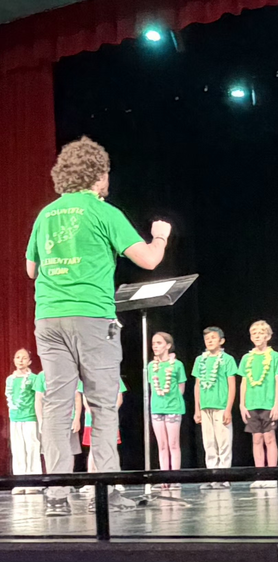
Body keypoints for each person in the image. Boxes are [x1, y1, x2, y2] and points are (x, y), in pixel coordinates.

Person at [25, 136, 171, 515]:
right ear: (98, 175)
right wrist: (160, 236)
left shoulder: (46, 214)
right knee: (102, 406)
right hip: (92, 317)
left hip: (49, 318)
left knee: (56, 406)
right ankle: (107, 491)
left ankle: (56, 494)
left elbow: (31, 268)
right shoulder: (104, 212)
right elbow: (150, 261)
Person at [239, 320, 278, 489]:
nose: (257, 337)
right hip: (252, 404)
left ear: (268, 336)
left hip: (268, 403)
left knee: (269, 438)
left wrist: (277, 405)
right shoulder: (247, 358)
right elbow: (243, 382)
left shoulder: (274, 356)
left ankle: (271, 474)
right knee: (256, 439)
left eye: (260, 334)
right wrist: (242, 405)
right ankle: (260, 475)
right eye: (254, 334)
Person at [192, 327, 239, 489]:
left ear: (221, 341)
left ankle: (224, 476)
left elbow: (232, 385)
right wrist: (197, 409)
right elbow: (197, 385)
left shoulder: (227, 359)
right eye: (207, 339)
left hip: (220, 406)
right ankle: (212, 476)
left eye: (213, 338)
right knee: (209, 443)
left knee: (223, 442)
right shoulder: (200, 360)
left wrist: (228, 409)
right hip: (205, 407)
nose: (210, 341)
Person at [148, 332, 186, 488]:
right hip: (157, 408)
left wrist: (172, 402)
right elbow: (152, 387)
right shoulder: (151, 366)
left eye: (159, 343)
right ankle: (164, 477)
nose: (155, 346)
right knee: (162, 444)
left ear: (168, 346)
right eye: (154, 343)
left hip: (173, 407)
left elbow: (181, 387)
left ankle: (175, 478)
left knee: (173, 444)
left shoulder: (177, 365)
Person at [77, 377, 126, 494]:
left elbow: (119, 397)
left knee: (111, 447)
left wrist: (109, 412)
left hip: (109, 420)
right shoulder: (86, 376)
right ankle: (90, 480)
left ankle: (116, 480)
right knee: (93, 449)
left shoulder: (114, 375)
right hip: (91, 420)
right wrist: (92, 411)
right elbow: (84, 398)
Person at [6, 349, 43, 494]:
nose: (20, 360)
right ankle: (20, 482)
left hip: (30, 418)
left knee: (32, 449)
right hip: (15, 418)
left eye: (24, 358)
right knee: (18, 450)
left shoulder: (34, 378)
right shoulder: (10, 379)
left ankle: (34, 482)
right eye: (17, 357)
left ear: (30, 361)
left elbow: (39, 399)